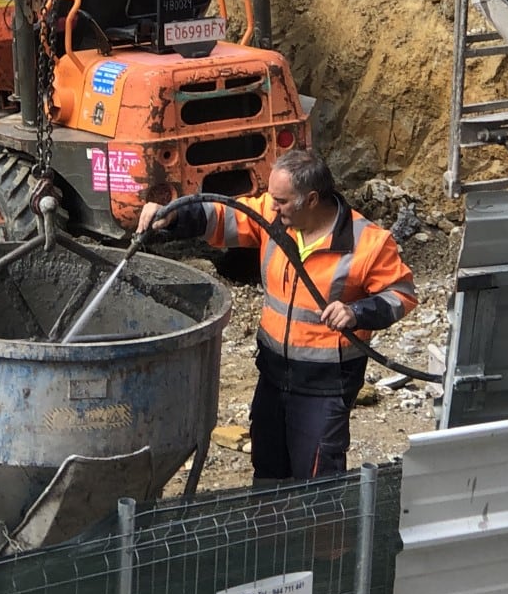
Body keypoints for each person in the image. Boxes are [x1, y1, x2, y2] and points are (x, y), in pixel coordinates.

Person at [137, 149, 416, 481]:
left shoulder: (368, 242)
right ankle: (270, 531)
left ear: (310, 199)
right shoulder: (274, 220)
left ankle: (315, 534)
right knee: (268, 472)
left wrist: (357, 312)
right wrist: (173, 215)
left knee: (315, 482)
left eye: (282, 200)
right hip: (272, 375)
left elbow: (401, 294)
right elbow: (223, 216)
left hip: (324, 387)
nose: (271, 207)